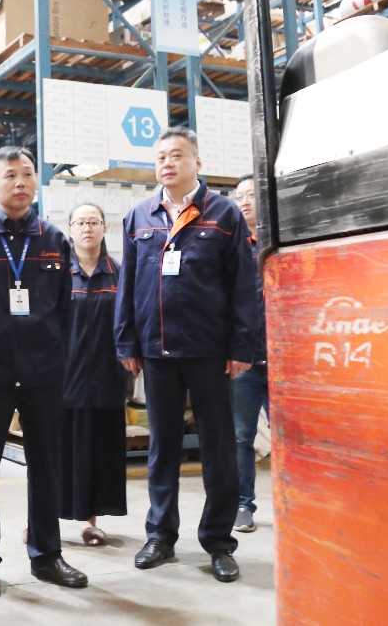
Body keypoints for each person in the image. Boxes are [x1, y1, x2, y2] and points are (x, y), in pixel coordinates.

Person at [114, 127, 259, 584]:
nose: (167, 163)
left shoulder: (224, 213)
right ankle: (160, 535)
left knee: (218, 447)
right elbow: (127, 284)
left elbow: (243, 285)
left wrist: (241, 345)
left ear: (197, 162)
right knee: (163, 447)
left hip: (210, 351)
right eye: (161, 157)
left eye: (177, 155)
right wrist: (126, 342)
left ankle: (218, 541)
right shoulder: (139, 216)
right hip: (156, 350)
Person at [0, 147, 88, 598]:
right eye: (10, 175)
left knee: (46, 466)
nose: (20, 182)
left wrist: (60, 359)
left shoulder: (54, 238)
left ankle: (47, 556)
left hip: (43, 371)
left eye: (27, 174)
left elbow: (66, 308)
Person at [60, 202, 128, 546]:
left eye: (94, 222)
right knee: (54, 453)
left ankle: (90, 523)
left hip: (106, 377)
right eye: (80, 222)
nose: (87, 228)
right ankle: (40, 520)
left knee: (98, 452)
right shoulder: (57, 272)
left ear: (104, 228)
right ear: (70, 230)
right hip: (63, 378)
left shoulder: (119, 273)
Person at [230, 174, 269, 534]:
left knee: (292, 437)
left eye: (252, 195)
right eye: (239, 196)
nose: (244, 201)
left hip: (284, 359)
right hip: (244, 359)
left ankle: (298, 499)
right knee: (241, 436)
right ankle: (243, 504)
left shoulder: (278, 242)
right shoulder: (231, 245)